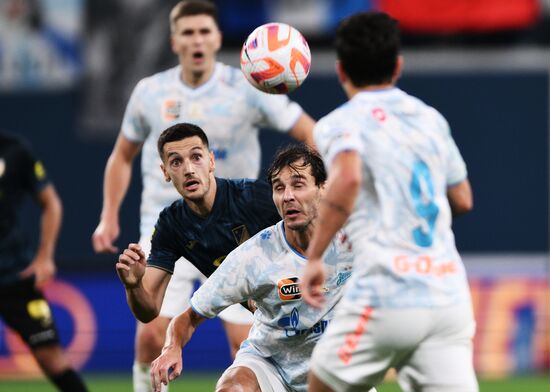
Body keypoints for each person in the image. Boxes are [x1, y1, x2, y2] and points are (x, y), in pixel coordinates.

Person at [91, 1, 315, 390]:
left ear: (217, 39)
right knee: (149, 336)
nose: (197, 40)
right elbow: (121, 156)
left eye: (204, 32)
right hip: (169, 226)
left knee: (243, 344)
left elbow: (310, 132)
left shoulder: (249, 86)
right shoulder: (149, 92)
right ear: (174, 40)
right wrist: (109, 214)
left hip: (241, 234)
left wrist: (318, 186)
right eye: (188, 32)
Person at [300, 11, 477, 392]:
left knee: (321, 384)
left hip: (387, 294)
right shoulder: (430, 120)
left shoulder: (337, 124)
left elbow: (347, 176)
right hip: (448, 296)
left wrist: (315, 257)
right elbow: (462, 199)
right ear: (397, 66)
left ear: (342, 70)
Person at [147, 143, 365, 392]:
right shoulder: (255, 255)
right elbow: (190, 315)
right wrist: (171, 348)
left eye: (298, 184)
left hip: (336, 369)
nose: (287, 196)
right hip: (271, 365)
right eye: (279, 188)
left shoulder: (352, 238)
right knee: (232, 389)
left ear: (323, 189)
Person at [0, 132, 88, 392]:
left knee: (50, 357)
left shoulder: (14, 151)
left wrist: (45, 257)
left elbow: (51, 202)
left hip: (13, 274)